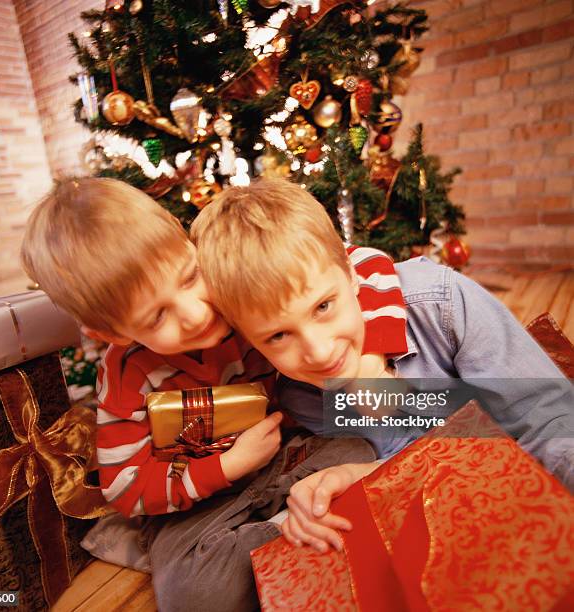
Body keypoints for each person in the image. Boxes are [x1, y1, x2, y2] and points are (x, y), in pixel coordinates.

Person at [20, 177, 407, 611]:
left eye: (189, 278)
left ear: (189, 244)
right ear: (111, 333)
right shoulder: (128, 376)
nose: (196, 314)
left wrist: (373, 357)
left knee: (354, 447)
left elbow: (361, 261)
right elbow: (127, 489)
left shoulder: (233, 292)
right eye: (156, 316)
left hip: (285, 461)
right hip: (198, 504)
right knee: (194, 596)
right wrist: (225, 467)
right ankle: (275, 533)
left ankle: (289, 523)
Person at [192, 177, 574, 554]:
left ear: (351, 271)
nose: (321, 353)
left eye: (324, 306)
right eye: (277, 336)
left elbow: (543, 421)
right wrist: (362, 475)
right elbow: (413, 451)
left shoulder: (440, 304)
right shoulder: (303, 398)